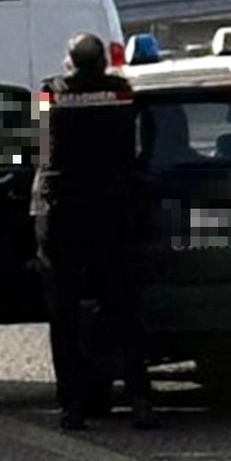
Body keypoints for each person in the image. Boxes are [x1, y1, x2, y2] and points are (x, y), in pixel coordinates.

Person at [31, 33, 159, 431]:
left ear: (69, 63)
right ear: (103, 63)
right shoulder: (122, 94)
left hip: (63, 214)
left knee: (64, 314)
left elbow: (38, 149)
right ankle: (139, 399)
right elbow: (147, 137)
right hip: (110, 211)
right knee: (122, 308)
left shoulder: (50, 94)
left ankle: (72, 406)